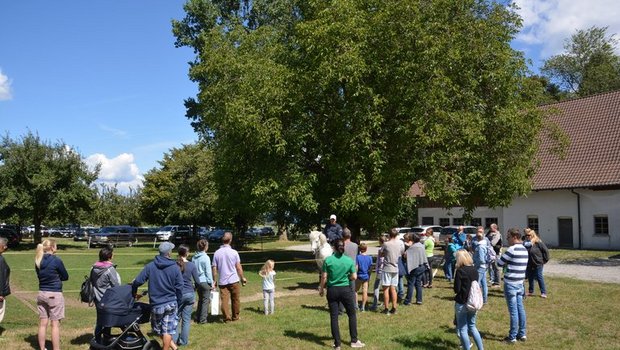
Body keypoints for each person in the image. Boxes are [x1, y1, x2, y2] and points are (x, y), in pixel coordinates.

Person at [132, 242, 184, 350]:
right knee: (167, 330)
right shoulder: (175, 267)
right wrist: (179, 301)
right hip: (171, 302)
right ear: (169, 253)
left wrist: (134, 292)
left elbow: (137, 281)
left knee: (159, 330)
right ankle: (173, 347)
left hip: (156, 304)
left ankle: (173, 348)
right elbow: (179, 287)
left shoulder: (150, 266)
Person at [319, 239, 365, 349]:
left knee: (334, 317)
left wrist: (321, 289)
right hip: (345, 290)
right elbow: (354, 277)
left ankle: (337, 344)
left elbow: (324, 277)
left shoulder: (328, 260)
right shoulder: (349, 261)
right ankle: (354, 341)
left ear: (333, 248)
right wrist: (346, 277)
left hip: (332, 290)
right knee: (352, 314)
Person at [35, 239, 69, 350]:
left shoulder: (38, 260)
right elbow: (65, 276)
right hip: (54, 293)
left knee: (43, 323)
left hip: (41, 293)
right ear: (53, 247)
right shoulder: (56, 260)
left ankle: (42, 348)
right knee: (55, 324)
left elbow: (39, 275)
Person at [497, 228, 529, 343]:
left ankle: (512, 337)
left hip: (511, 284)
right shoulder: (525, 249)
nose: (507, 239)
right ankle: (522, 333)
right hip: (520, 283)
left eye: (508, 237)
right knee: (521, 309)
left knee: (513, 311)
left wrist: (506, 261)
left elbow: (499, 263)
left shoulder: (512, 249)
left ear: (514, 237)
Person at [212, 231, 247, 322]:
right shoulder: (234, 252)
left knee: (224, 301)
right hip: (234, 280)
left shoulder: (217, 253)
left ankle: (226, 318)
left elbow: (214, 268)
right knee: (235, 299)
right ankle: (235, 317)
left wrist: (214, 280)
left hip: (223, 281)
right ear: (230, 240)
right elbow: (238, 267)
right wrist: (242, 277)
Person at [453, 249, 484, 350]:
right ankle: (481, 348)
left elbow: (456, 289)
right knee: (472, 326)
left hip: (462, 302)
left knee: (462, 328)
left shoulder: (460, 271)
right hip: (473, 302)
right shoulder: (474, 270)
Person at [91, 246, 121, 343]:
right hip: (107, 298)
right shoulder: (109, 269)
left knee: (100, 320)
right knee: (108, 319)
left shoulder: (94, 267)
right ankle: (106, 339)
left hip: (97, 297)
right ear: (109, 256)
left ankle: (98, 339)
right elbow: (116, 284)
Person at [174, 245, 200, 347]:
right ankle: (184, 341)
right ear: (187, 253)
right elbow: (197, 281)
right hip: (189, 293)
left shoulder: (174, 265)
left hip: (178, 294)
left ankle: (175, 340)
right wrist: (194, 289)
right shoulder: (192, 265)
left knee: (176, 318)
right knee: (186, 319)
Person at [381, 228, 404, 315]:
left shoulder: (386, 244)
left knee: (386, 289)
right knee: (393, 289)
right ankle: (394, 307)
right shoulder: (400, 244)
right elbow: (401, 253)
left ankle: (386, 308)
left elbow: (381, 253)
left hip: (387, 268)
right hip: (395, 268)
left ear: (389, 235)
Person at [523, 229, 550, 298]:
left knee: (539, 276)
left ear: (532, 235)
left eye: (528, 235)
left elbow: (546, 251)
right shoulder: (525, 243)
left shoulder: (538, 242)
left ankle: (543, 292)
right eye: (526, 235)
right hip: (529, 263)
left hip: (538, 263)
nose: (527, 236)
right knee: (530, 277)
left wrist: (545, 260)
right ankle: (530, 291)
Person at [192, 239, 212, 324]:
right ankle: (203, 319)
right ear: (206, 247)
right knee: (205, 301)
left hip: (197, 281)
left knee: (200, 300)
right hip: (204, 281)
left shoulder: (194, 258)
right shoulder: (206, 258)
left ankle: (197, 316)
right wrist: (211, 282)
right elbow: (208, 272)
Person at [403, 233, 428, 305]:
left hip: (415, 267)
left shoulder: (413, 247)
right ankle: (419, 300)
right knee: (418, 283)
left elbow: (405, 255)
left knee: (411, 283)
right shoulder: (422, 246)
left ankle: (408, 301)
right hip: (422, 266)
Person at [472, 227, 489, 304]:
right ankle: (485, 299)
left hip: (480, 267)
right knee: (484, 283)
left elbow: (481, 259)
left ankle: (477, 299)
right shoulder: (484, 244)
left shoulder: (480, 247)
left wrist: (476, 264)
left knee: (477, 283)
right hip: (484, 267)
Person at [369, 236, 385, 311]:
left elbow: (380, 260)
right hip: (386, 270)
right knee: (385, 287)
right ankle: (385, 302)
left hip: (381, 270)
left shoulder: (381, 249)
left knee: (376, 287)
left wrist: (377, 268)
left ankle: (375, 304)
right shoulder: (388, 249)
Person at [354, 243, 373, 311]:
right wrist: (369, 276)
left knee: (355, 290)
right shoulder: (370, 258)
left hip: (359, 276)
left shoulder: (358, 257)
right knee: (365, 291)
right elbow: (370, 268)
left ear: (360, 249)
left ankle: (356, 305)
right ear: (366, 249)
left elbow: (356, 267)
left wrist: (355, 274)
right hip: (366, 276)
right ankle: (363, 306)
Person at [0, 237, 11, 324]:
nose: (6, 247)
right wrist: (1, 293)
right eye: (5, 245)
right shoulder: (1, 260)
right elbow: (1, 277)